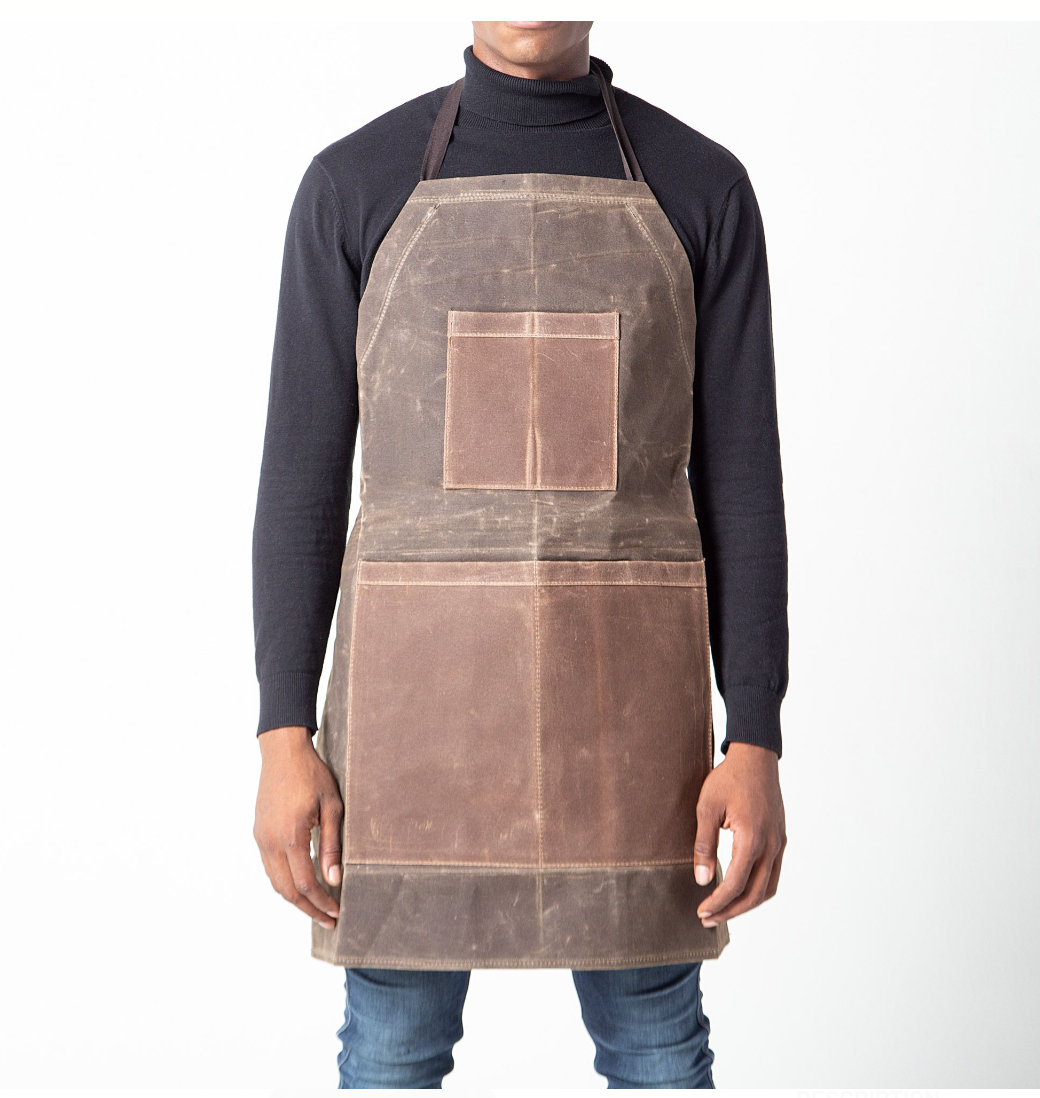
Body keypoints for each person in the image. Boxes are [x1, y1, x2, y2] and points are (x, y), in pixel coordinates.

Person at [252, 21, 789, 1089]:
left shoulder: (702, 186)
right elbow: (302, 482)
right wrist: (282, 734)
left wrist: (756, 735)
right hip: (411, 730)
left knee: (656, 1052)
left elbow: (740, 487)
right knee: (392, 1053)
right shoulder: (351, 185)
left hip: (631, 735)